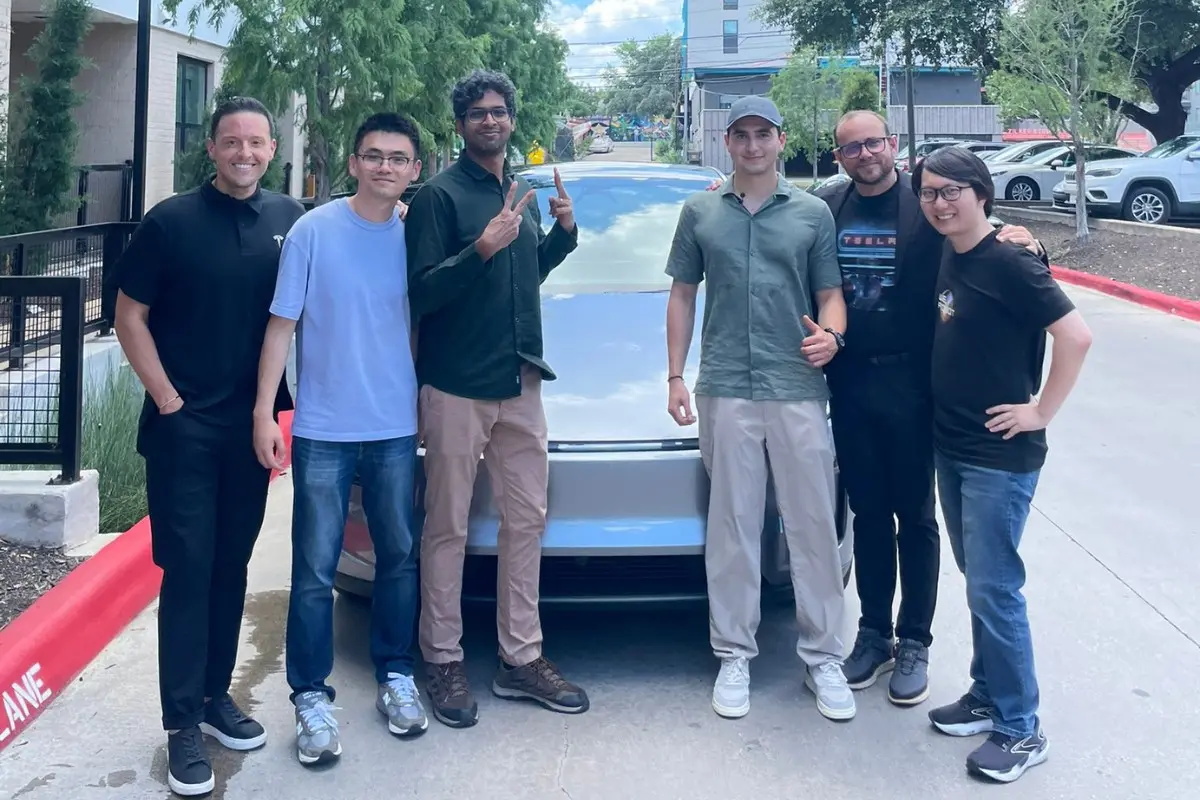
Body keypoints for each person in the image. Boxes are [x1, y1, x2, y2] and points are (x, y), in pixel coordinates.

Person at [809, 111, 1046, 707]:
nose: (865, 154)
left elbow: (981, 237)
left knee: (914, 517)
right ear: (839, 157)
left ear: (892, 144)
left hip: (915, 386)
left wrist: (1029, 241)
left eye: (873, 142)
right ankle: (873, 635)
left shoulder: (927, 206)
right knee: (866, 513)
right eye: (851, 147)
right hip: (850, 382)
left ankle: (915, 639)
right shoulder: (828, 206)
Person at [112, 96, 302, 797]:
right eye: (232, 141)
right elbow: (129, 315)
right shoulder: (171, 222)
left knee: (231, 565)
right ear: (213, 149)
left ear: (272, 149)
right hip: (184, 428)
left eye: (256, 142)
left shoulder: (290, 219)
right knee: (189, 571)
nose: (244, 153)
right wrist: (167, 398)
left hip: (253, 427)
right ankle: (182, 724)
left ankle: (217, 696)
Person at [403, 68, 587, 728]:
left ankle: (520, 657)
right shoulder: (438, 197)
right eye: (478, 112)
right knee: (447, 525)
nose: (490, 120)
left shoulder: (522, 193)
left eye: (499, 111)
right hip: (456, 385)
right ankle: (442, 658)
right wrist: (479, 249)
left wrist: (562, 234)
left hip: (520, 382)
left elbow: (521, 278)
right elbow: (422, 292)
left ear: (512, 119)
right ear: (460, 125)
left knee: (526, 521)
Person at [664, 96, 856, 722]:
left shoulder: (811, 213)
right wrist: (676, 375)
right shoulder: (700, 212)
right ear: (728, 143)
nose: (752, 145)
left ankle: (824, 657)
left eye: (763, 135)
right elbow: (682, 295)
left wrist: (833, 336)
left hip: (796, 385)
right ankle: (734, 654)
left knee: (812, 525)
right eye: (741, 135)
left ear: (780, 140)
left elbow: (830, 293)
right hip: (725, 385)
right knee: (733, 524)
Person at [252, 112, 427, 765]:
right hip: (324, 428)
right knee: (313, 569)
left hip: (394, 426)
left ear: (414, 170)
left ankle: (396, 675)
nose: (385, 167)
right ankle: (309, 697)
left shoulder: (415, 235)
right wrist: (265, 413)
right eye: (374, 155)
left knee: (398, 558)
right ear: (354, 163)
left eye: (398, 158)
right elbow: (281, 326)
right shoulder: (313, 231)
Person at [913, 147, 1091, 783]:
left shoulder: (1011, 261)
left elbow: (1076, 335)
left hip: (999, 455)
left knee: (995, 586)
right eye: (930, 192)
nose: (940, 203)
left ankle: (1021, 728)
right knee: (980, 580)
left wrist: (1041, 410)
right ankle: (988, 694)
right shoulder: (950, 251)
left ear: (981, 193)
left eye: (952, 191)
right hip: (953, 447)